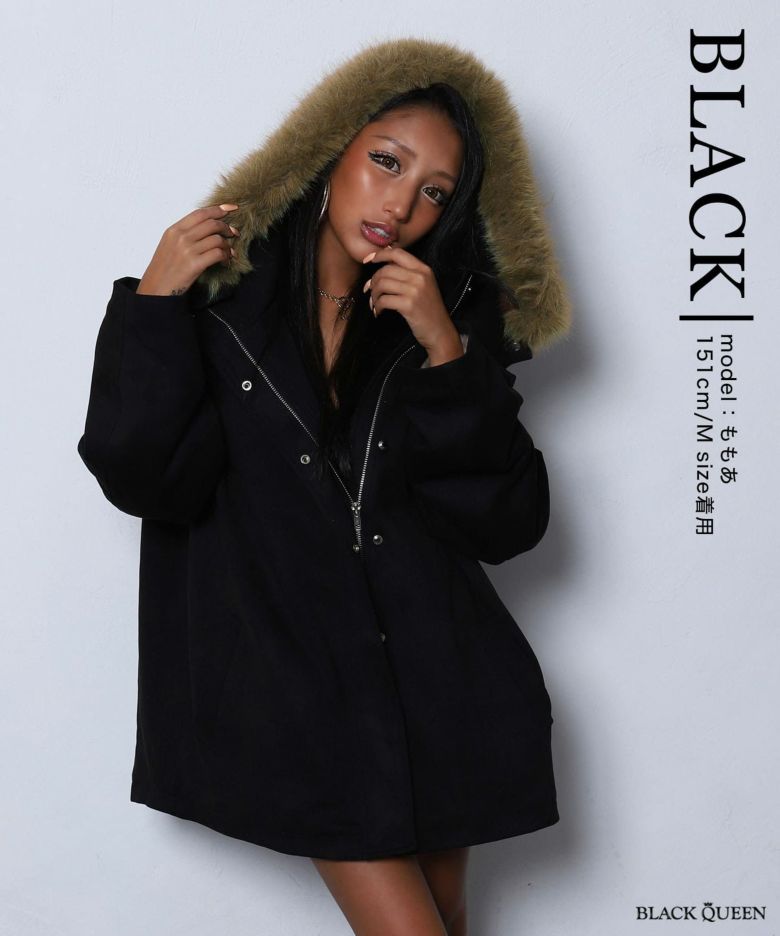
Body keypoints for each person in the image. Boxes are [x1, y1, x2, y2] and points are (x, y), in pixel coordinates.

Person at [77, 37, 571, 936]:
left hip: (441, 684)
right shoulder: (221, 310)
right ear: (327, 150)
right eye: (387, 161)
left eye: (436, 192)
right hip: (297, 695)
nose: (402, 205)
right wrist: (153, 305)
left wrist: (446, 352)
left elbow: (509, 523)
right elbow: (144, 476)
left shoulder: (442, 324)